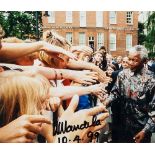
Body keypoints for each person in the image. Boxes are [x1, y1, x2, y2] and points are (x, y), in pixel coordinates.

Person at [104, 45, 155, 143]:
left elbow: (154, 111)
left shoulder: (152, 80)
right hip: (122, 126)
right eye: (129, 59)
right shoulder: (123, 74)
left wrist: (145, 131)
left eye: (135, 60)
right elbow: (115, 93)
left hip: (141, 129)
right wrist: (106, 102)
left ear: (145, 61)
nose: (130, 63)